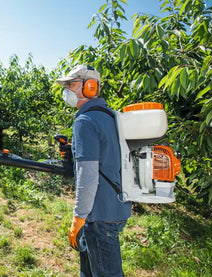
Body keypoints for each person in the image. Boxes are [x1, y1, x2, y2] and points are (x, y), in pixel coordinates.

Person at [56, 65, 132, 276]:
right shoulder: (109, 116)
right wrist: (74, 149)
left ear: (89, 86)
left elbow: (88, 178)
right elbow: (106, 156)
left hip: (98, 215)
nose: (67, 90)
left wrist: (78, 218)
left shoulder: (85, 121)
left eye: (71, 84)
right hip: (115, 206)